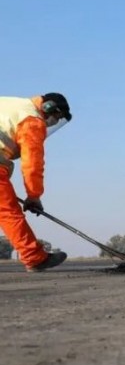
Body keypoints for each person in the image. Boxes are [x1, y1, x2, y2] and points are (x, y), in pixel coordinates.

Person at [0, 93, 72, 272]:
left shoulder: (10, 104)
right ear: (48, 108)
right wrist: (33, 196)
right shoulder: (32, 120)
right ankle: (34, 257)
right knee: (8, 212)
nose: (54, 123)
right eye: (57, 117)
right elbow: (32, 163)